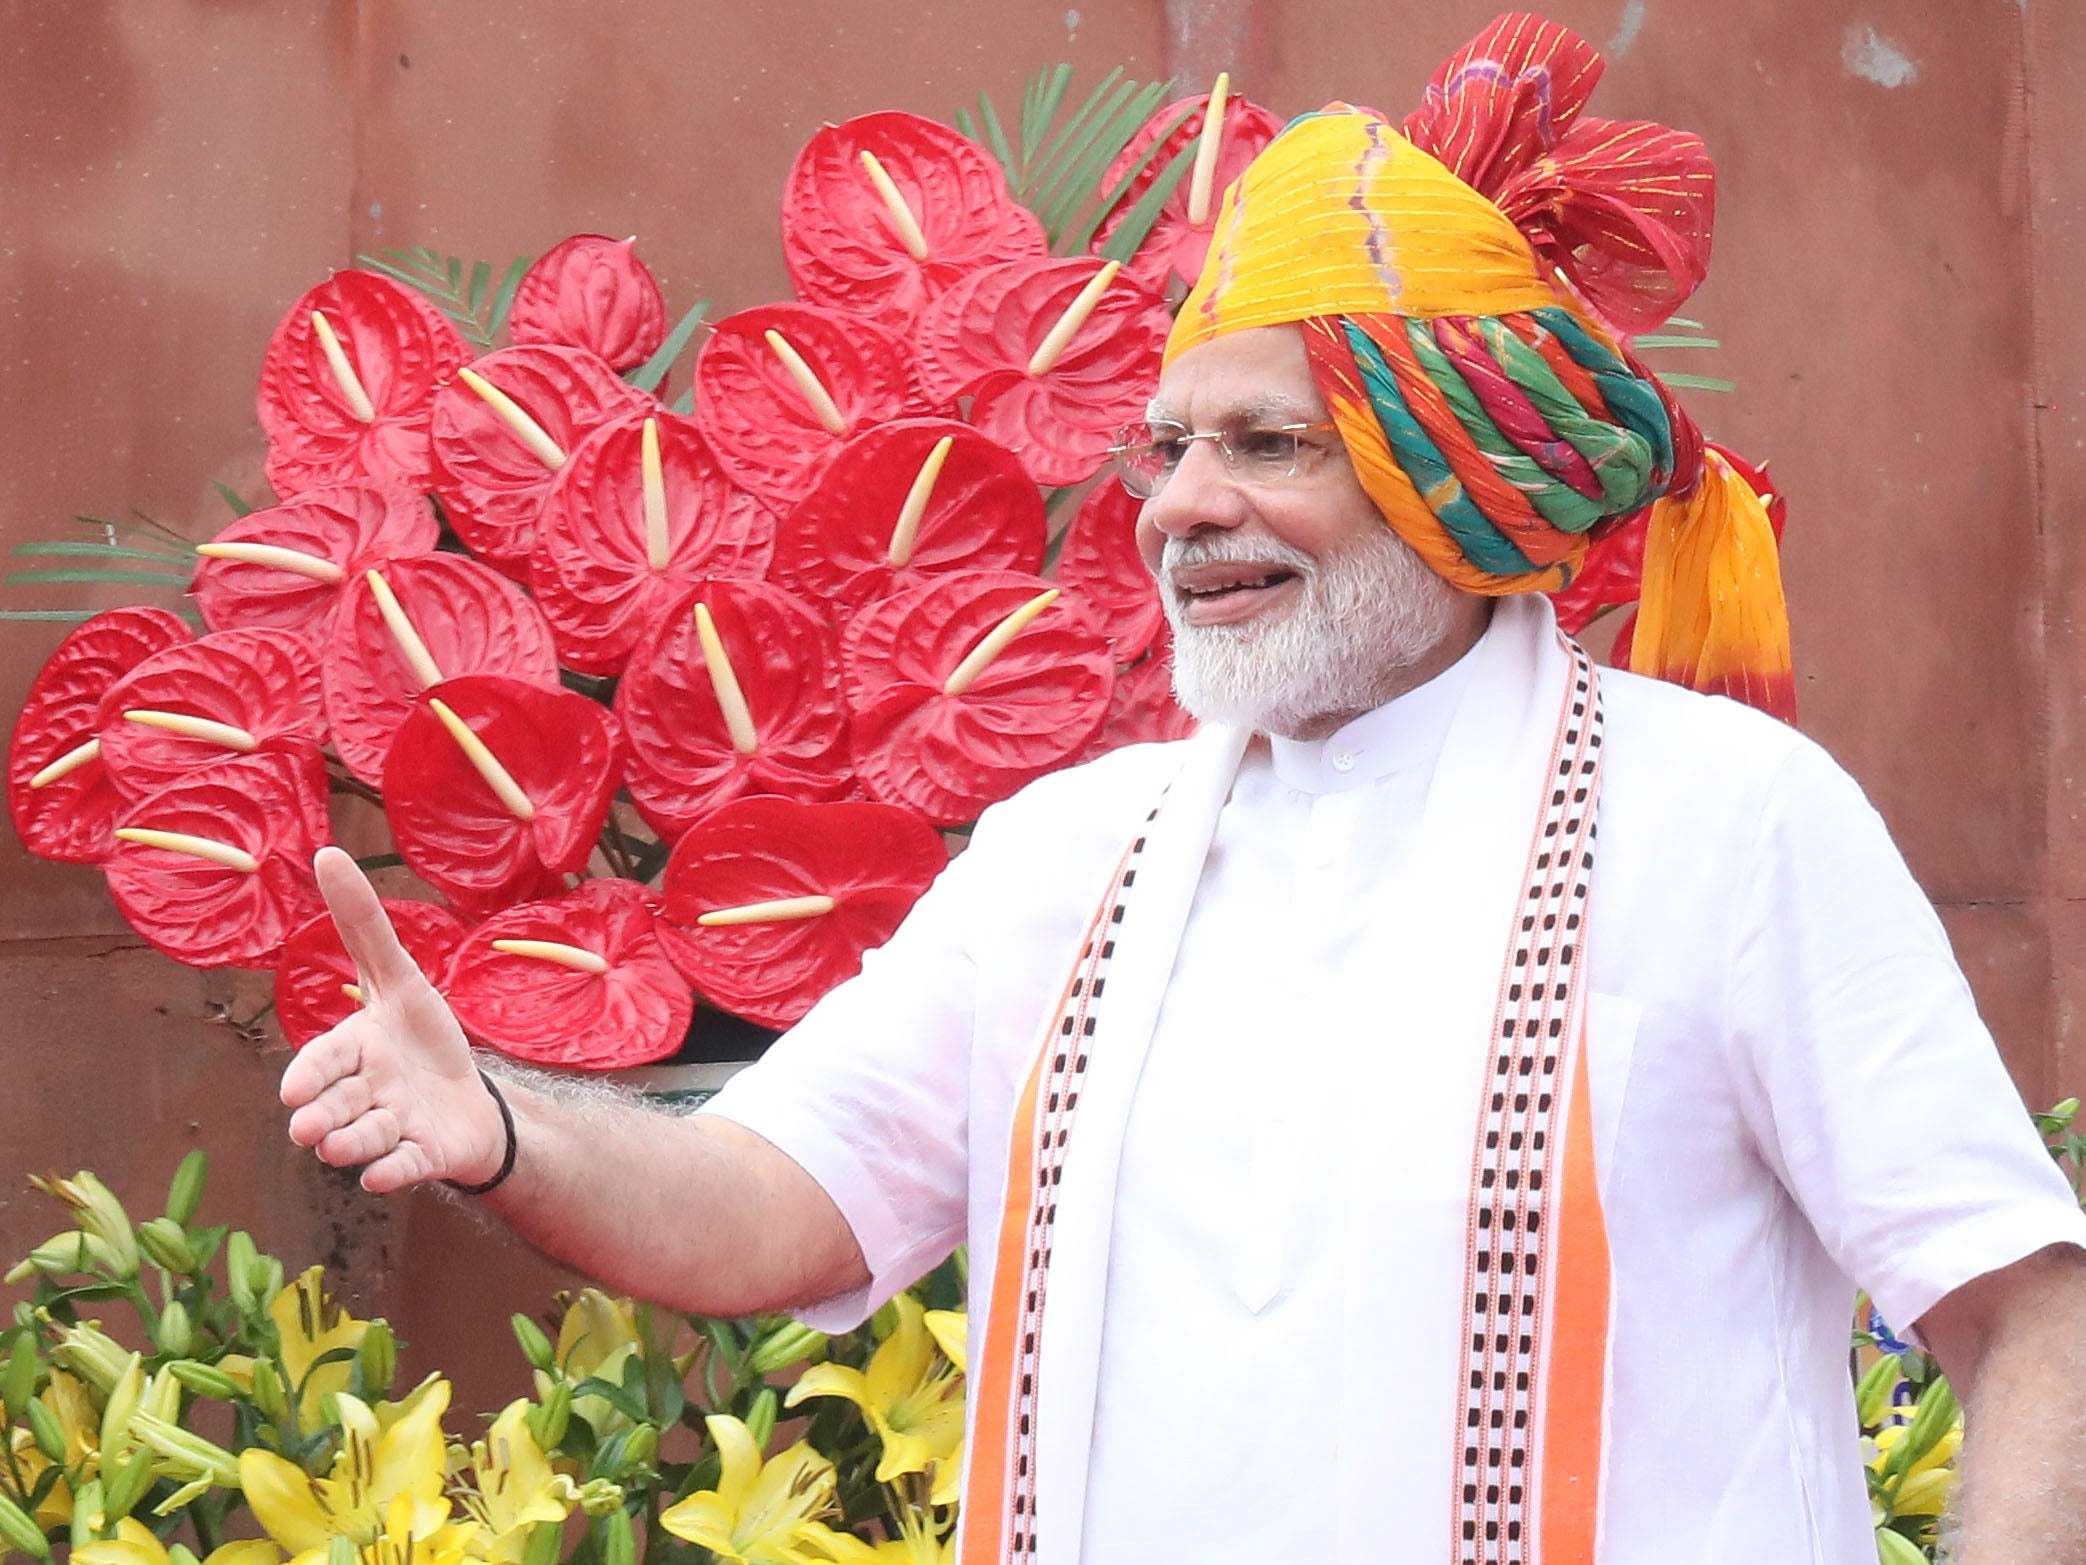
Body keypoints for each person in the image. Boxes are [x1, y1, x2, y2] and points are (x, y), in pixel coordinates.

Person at [278, 16, 2086, 1564]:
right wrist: (505, 1122)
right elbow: (767, 1196)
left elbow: (2028, 1321)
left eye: (1265, 445)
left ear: (1448, 478)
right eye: (1166, 446)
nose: (1178, 503)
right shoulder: (1067, 854)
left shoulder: (1730, 822)